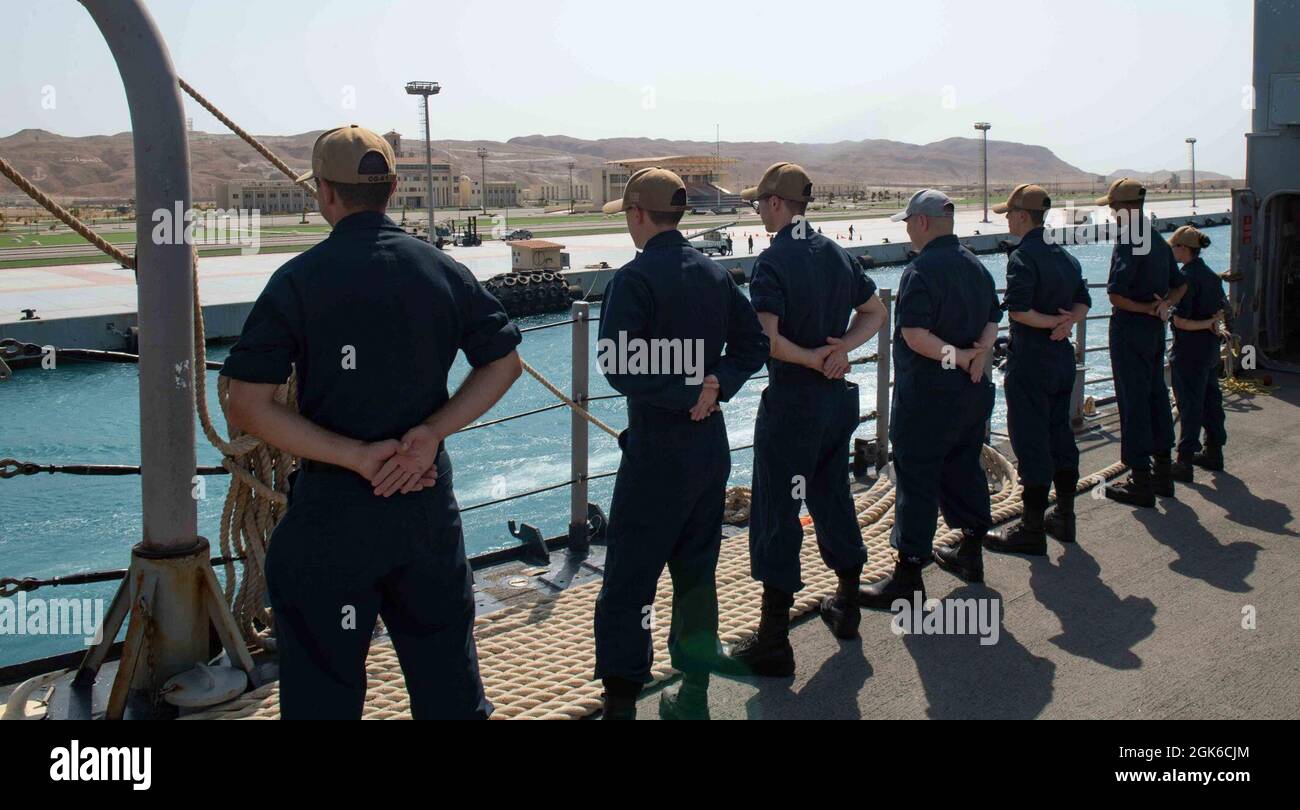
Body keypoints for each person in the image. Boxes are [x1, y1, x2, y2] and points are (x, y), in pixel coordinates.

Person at [222, 125, 522, 719]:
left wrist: (359, 458)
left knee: (322, 697)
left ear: (326, 193)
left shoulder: (298, 281)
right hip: (424, 506)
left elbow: (245, 404)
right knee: (450, 691)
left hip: (333, 516)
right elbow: (504, 365)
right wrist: (429, 436)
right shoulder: (443, 270)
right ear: (392, 189)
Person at [592, 167, 769, 720]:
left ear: (637, 214)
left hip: (656, 453)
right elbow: (754, 344)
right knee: (696, 576)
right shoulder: (715, 275)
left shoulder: (633, 280)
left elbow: (618, 366)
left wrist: (687, 391)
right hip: (709, 449)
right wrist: (715, 384)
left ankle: (621, 705)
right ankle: (693, 696)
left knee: (629, 581)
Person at [728, 163, 887, 675]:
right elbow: (876, 312)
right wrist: (841, 350)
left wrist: (813, 358)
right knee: (833, 497)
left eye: (760, 202)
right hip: (836, 403)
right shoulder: (837, 254)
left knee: (779, 510)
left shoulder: (773, 261)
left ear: (777, 203)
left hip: (794, 404)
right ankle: (847, 604)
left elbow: (767, 340)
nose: (758, 210)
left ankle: (774, 640)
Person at [861, 189, 1001, 607]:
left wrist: (958, 357)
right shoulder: (976, 265)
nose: (907, 230)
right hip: (971, 395)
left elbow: (914, 336)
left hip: (927, 399)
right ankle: (971, 552)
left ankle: (908, 577)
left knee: (917, 481)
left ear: (921, 222)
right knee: (965, 468)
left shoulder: (920, 271)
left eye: (908, 222)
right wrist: (977, 355)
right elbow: (993, 319)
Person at [973, 185, 1091, 566]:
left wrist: (1052, 323)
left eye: (1009, 213)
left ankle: (1032, 528)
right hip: (1061, 359)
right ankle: (1066, 517)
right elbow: (1084, 300)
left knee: (1031, 441)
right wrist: (1067, 322)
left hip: (1032, 361)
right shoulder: (1065, 256)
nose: (1007, 219)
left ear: (1023, 216)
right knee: (1061, 436)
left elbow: (1019, 311)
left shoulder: (1023, 257)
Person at [1097, 178, 1187, 507]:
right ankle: (1163, 472)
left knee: (1132, 400)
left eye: (1112, 208)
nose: (1111, 213)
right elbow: (1180, 284)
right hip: (1154, 333)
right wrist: (1165, 306)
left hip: (1131, 331)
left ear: (1124, 208)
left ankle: (1139, 479)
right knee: (1156, 395)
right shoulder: (1157, 239)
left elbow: (1116, 295)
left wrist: (1146, 308)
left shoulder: (1129, 240)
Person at [1168, 225, 1229, 480]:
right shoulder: (1212, 276)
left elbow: (1181, 322)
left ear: (1183, 248)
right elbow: (1223, 309)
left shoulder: (1185, 279)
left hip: (1189, 351)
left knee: (1190, 405)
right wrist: (1213, 323)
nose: (1171, 252)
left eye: (1173, 247)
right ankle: (1214, 451)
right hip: (1210, 350)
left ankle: (1184, 462)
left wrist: (1205, 323)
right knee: (1211, 400)